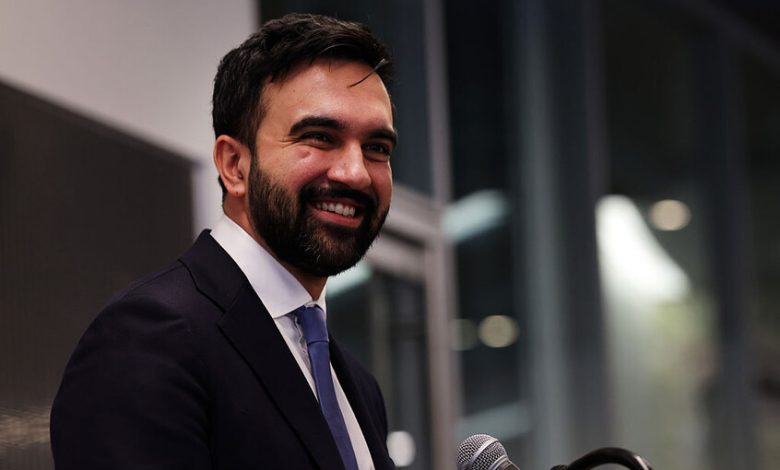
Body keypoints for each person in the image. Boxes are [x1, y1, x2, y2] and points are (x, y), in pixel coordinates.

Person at [51, 13, 398, 470]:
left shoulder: (358, 387)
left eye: (377, 148)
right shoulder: (149, 340)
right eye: (319, 137)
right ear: (234, 165)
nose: (355, 173)